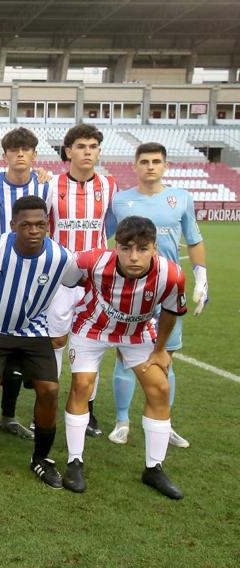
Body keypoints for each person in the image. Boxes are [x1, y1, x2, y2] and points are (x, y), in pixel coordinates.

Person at [0, 195, 82, 489]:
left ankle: (41, 458)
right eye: (26, 225)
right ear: (14, 225)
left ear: (48, 225)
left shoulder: (61, 257)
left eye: (41, 224)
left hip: (35, 331)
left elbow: (73, 283)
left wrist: (63, 324)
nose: (34, 230)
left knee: (50, 391)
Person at [62, 216, 187, 499]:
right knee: (82, 385)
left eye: (142, 249)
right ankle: (74, 461)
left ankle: (154, 468)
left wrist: (160, 351)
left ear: (155, 248)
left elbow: (171, 313)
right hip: (91, 328)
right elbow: (67, 277)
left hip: (138, 332)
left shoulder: (172, 274)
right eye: (126, 248)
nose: (133, 257)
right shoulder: (91, 261)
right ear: (114, 246)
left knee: (160, 388)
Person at [105, 142, 208, 448]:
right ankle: (122, 420)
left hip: (167, 290)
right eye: (145, 161)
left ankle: (166, 422)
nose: (150, 166)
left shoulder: (181, 199)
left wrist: (202, 277)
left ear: (166, 166)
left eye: (156, 161)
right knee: (124, 357)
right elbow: (103, 235)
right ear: (134, 166)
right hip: (130, 290)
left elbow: (194, 239)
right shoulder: (120, 201)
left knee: (165, 359)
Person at [0, 127, 52, 441]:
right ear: (4, 155)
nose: (20, 154)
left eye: (26, 149)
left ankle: (8, 415)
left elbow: (50, 229)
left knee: (19, 347)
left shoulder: (46, 187)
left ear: (34, 154)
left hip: (31, 280)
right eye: (14, 149)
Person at [45, 124, 117, 438]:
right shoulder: (51, 184)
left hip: (96, 279)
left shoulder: (110, 185)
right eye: (81, 146)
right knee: (56, 340)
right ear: (68, 151)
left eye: (93, 146)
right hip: (61, 276)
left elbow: (113, 225)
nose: (88, 152)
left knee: (92, 342)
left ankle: (87, 407)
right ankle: (47, 404)